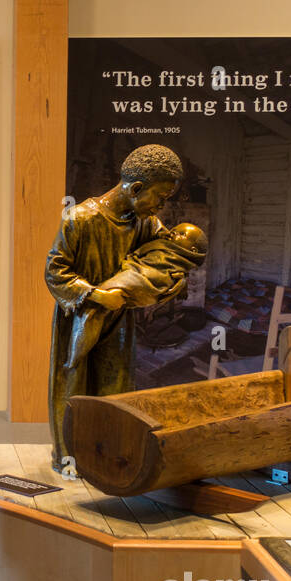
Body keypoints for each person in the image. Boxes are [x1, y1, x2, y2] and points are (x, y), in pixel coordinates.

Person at [44, 144, 187, 471]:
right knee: (74, 386)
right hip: (79, 317)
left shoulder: (146, 222)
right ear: (136, 188)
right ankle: (70, 457)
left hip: (119, 322)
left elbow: (165, 256)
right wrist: (94, 294)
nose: (162, 206)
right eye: (161, 197)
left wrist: (170, 281)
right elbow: (55, 272)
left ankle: (109, 458)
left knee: (116, 388)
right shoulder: (80, 217)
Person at [63, 222, 207, 370]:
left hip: (147, 278)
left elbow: (168, 268)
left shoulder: (177, 256)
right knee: (97, 310)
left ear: (192, 249)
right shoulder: (162, 238)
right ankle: (79, 353)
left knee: (94, 308)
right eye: (175, 229)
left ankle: (74, 359)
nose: (173, 233)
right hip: (139, 272)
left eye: (181, 234)